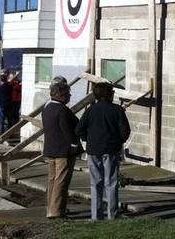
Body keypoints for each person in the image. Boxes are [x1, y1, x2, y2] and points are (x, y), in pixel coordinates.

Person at [76, 82, 131, 220]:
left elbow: (78, 130)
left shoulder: (90, 110)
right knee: (111, 182)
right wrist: (118, 142)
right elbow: (125, 131)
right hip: (111, 149)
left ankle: (96, 215)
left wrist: (88, 139)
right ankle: (113, 214)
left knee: (95, 182)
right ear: (110, 94)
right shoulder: (116, 110)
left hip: (93, 149)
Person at [42, 79, 82, 219]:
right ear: (61, 96)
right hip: (63, 151)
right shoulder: (62, 110)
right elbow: (66, 129)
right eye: (68, 94)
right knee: (61, 181)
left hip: (50, 148)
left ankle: (50, 208)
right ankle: (57, 210)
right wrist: (75, 144)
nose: (70, 96)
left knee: (52, 180)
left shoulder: (47, 108)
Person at [0, 70, 20, 134]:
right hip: (8, 104)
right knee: (9, 119)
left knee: (1, 120)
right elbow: (11, 83)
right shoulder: (9, 87)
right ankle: (10, 133)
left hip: (1, 105)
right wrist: (17, 75)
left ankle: (1, 133)